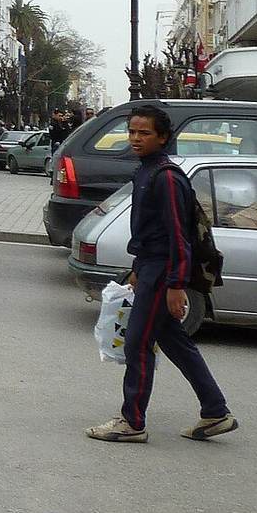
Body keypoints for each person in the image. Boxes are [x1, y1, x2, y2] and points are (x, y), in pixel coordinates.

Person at [88, 103, 236, 444]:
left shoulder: (167, 178)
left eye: (145, 133)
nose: (136, 138)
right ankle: (215, 411)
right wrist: (137, 269)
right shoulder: (145, 171)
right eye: (132, 132)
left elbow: (178, 236)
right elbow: (149, 232)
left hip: (163, 271)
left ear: (164, 137)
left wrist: (176, 284)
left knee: (138, 344)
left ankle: (132, 422)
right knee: (173, 340)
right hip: (150, 267)